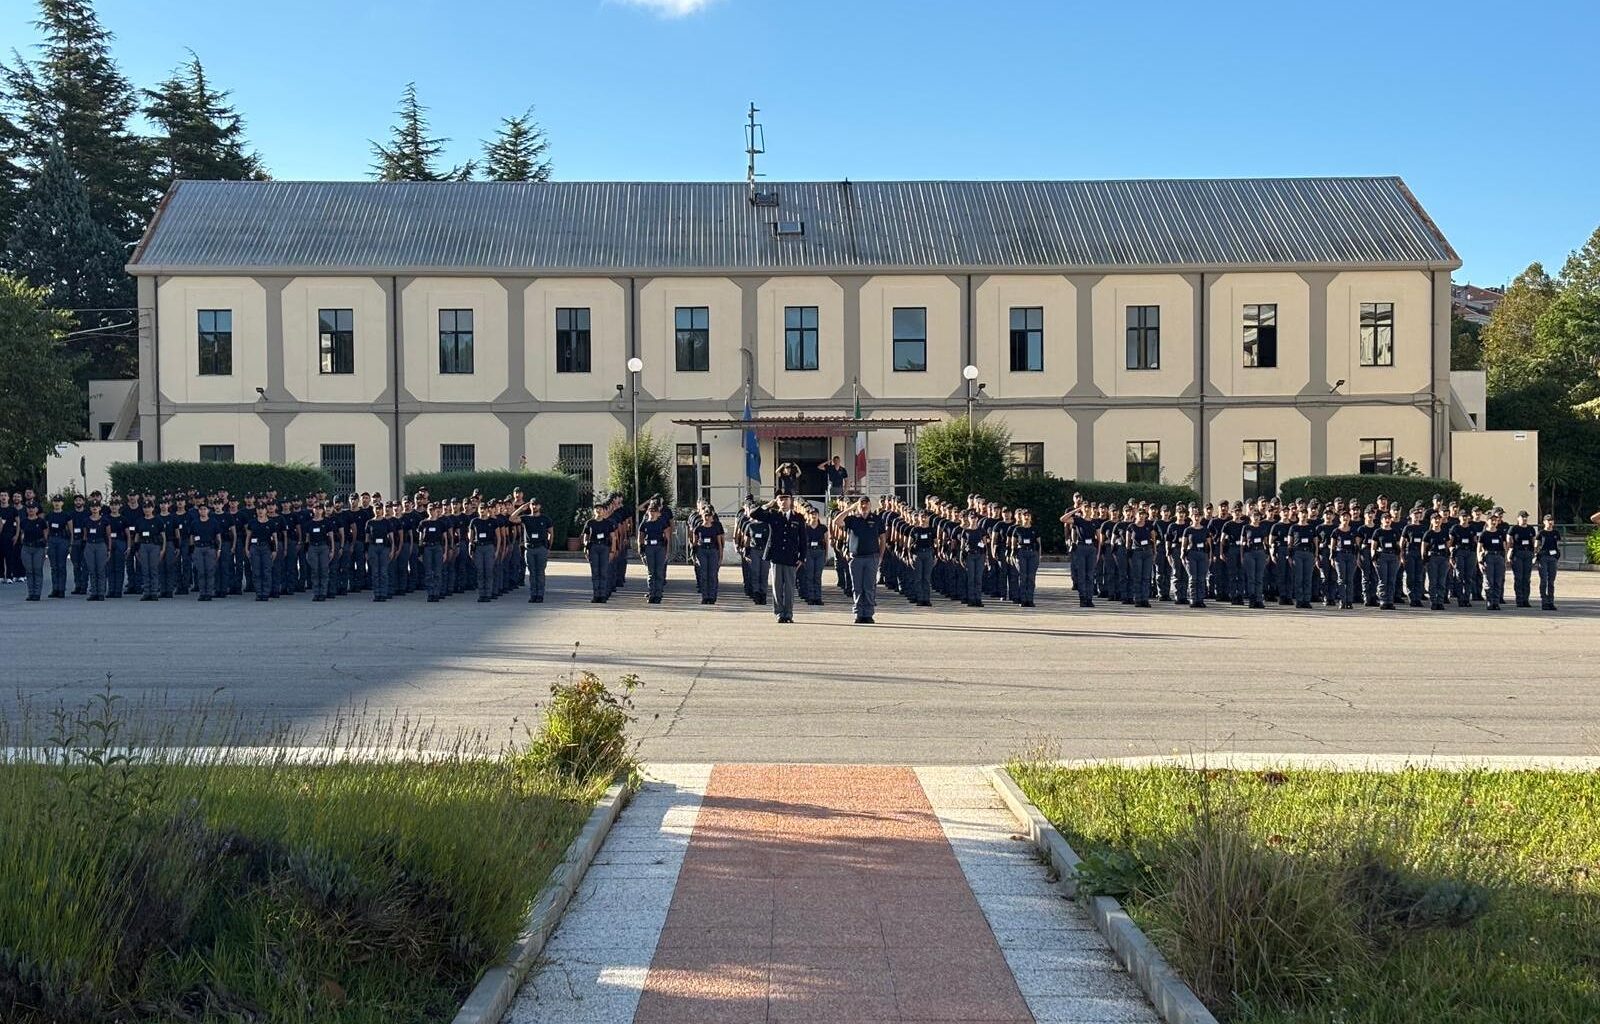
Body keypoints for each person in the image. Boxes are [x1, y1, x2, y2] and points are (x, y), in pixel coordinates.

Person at [749, 493, 806, 622]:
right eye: (780, 499)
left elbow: (803, 538)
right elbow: (754, 514)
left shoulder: (798, 517)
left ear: (791, 501)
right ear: (777, 501)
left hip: (791, 556)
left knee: (790, 588)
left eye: (786, 499)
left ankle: (789, 613)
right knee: (777, 586)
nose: (783, 501)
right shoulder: (773, 515)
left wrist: (802, 557)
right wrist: (769, 504)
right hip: (776, 556)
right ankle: (780, 613)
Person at [836, 495, 886, 624]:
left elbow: (882, 538)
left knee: (869, 587)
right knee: (857, 587)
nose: (864, 506)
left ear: (870, 505)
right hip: (856, 558)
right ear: (858, 506)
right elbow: (837, 521)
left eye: (866, 504)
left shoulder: (876, 519)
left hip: (871, 557)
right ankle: (858, 613)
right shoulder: (852, 519)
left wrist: (880, 555)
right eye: (861, 504)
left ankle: (868, 614)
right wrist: (849, 508)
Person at [512, 497, 553, 602]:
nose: (534, 506)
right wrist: (521, 508)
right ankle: (533, 594)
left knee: (540, 572)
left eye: (536, 504)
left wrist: (548, 547)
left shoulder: (545, 519)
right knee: (532, 573)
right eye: (532, 504)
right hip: (530, 548)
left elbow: (551, 534)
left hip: (541, 548)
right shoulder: (526, 518)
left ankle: (540, 595)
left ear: (540, 506)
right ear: (529, 506)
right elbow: (512, 519)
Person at [638, 501, 674, 604]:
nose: (652, 513)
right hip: (649, 547)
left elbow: (667, 538)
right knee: (651, 573)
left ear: (659, 513)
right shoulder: (644, 523)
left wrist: (667, 552)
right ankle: (652, 593)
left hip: (660, 547)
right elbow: (640, 537)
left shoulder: (662, 522)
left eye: (655, 511)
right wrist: (641, 551)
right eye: (650, 510)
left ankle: (658, 594)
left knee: (659, 572)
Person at [582, 504, 614, 603]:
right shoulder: (590, 523)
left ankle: (603, 595)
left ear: (603, 511)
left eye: (600, 509)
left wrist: (612, 550)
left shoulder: (608, 523)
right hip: (593, 548)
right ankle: (596, 595)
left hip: (604, 547)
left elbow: (613, 537)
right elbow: (585, 537)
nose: (598, 511)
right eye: (596, 509)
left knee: (603, 572)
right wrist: (585, 548)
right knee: (595, 572)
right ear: (594, 511)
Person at [693, 506, 725, 604]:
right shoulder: (698, 528)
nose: (707, 518)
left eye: (709, 516)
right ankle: (705, 596)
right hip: (702, 551)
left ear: (712, 516)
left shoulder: (716, 528)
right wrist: (694, 556)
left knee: (712, 575)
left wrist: (720, 556)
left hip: (713, 551)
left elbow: (720, 543)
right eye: (705, 515)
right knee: (703, 575)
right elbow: (694, 543)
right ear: (702, 516)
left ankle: (712, 596)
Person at [1478, 509, 1509, 611]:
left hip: (1499, 557)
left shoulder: (1500, 533)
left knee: (1498, 581)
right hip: (1489, 557)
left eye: (1495, 520)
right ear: (1487, 521)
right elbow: (1479, 548)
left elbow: (1505, 547)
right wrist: (1479, 562)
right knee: (1489, 581)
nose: (1494, 522)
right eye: (1491, 520)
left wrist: (1505, 559)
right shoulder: (1484, 534)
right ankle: (1490, 602)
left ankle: (1496, 602)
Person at [16, 502, 48, 600]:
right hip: (26, 547)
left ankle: (37, 593)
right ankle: (31, 593)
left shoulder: (41, 521)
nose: (31, 510)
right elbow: (22, 534)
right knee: (29, 571)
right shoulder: (24, 521)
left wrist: (45, 547)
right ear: (26, 510)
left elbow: (45, 535)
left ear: (36, 510)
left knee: (37, 570)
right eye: (29, 508)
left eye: (33, 508)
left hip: (38, 548)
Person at [1508, 510, 1537, 609]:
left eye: (1526, 517)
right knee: (1519, 578)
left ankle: (1526, 599)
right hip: (1518, 554)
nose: (1524, 519)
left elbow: (1533, 542)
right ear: (1518, 518)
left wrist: (1534, 553)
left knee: (1526, 578)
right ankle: (1519, 600)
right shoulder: (1514, 529)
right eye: (1522, 517)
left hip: (1528, 553)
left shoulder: (1531, 529)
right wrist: (1509, 554)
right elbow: (1509, 541)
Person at [1538, 513, 1562, 611]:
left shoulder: (1556, 533)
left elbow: (1558, 545)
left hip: (1553, 558)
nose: (1550, 522)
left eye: (1551, 520)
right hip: (1543, 557)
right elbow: (1537, 545)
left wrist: (1557, 556)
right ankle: (1544, 601)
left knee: (1551, 581)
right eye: (1548, 520)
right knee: (1544, 580)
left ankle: (1551, 601)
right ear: (1544, 522)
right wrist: (1537, 555)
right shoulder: (1541, 533)